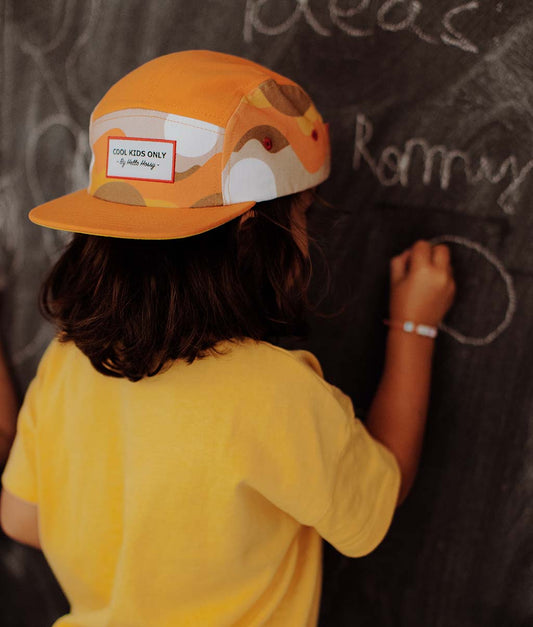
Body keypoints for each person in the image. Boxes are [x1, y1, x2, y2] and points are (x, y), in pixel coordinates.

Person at [0, 50, 455, 626]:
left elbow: (21, 520)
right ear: (251, 231)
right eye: (301, 214)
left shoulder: (68, 358)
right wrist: (414, 327)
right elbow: (377, 501)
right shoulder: (274, 390)